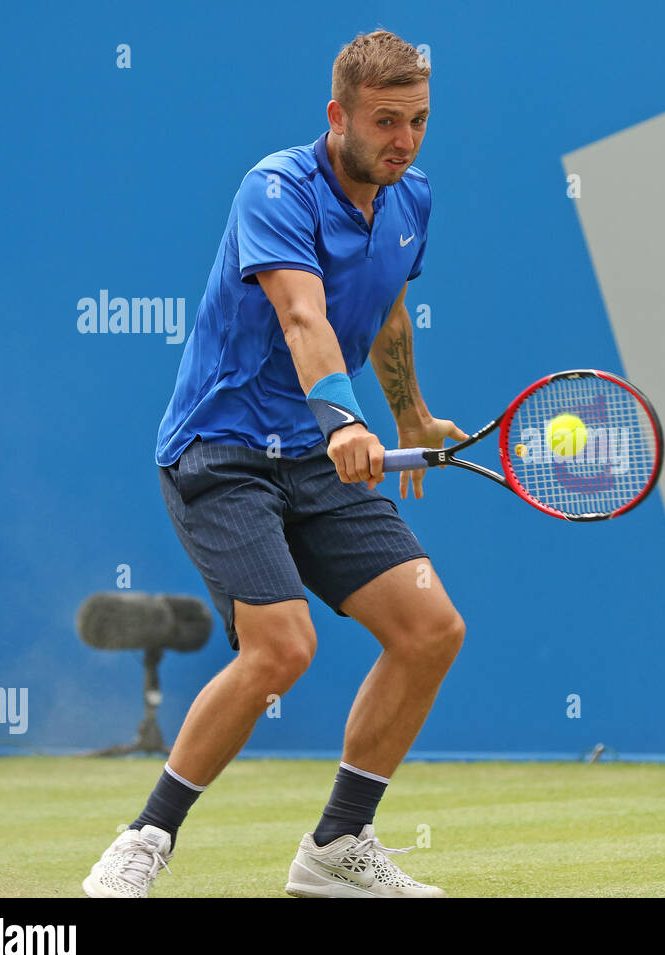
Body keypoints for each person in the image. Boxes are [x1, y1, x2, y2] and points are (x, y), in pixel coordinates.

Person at [83, 29, 462, 898]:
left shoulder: (413, 199)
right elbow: (303, 319)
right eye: (384, 122)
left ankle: (337, 848)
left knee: (431, 630)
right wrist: (343, 420)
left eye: (419, 122)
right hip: (222, 454)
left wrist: (412, 416)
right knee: (282, 647)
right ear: (338, 116)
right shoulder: (277, 188)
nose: (403, 140)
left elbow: (390, 308)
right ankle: (145, 838)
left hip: (316, 455)